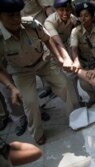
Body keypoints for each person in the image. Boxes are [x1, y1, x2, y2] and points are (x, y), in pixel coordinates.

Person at [0, 0, 79, 145]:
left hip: (44, 62)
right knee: (30, 102)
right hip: (21, 72)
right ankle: (38, 134)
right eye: (10, 16)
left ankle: (76, 118)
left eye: (18, 14)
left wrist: (60, 58)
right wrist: (11, 88)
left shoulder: (31, 24)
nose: (16, 19)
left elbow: (48, 39)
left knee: (65, 85)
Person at [71, 2, 95, 107]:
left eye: (86, 15)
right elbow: (74, 49)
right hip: (85, 64)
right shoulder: (75, 31)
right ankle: (93, 97)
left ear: (92, 17)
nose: (83, 18)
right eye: (81, 16)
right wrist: (76, 62)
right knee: (84, 84)